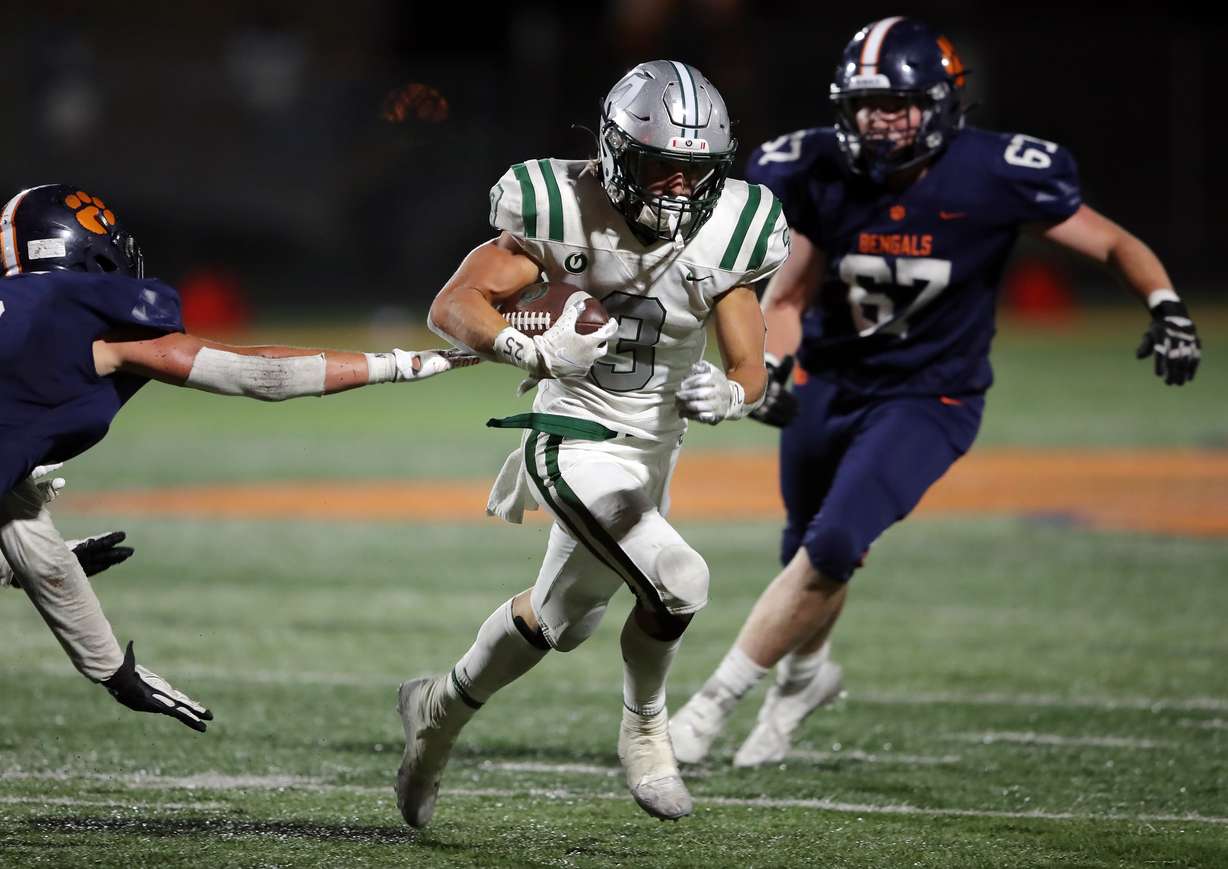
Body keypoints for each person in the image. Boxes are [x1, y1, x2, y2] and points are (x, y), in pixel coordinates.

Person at [669, 16, 1202, 768]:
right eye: (865, 106)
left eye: (897, 105)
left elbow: (1113, 241)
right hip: (831, 380)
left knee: (834, 542)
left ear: (942, 104)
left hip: (931, 395)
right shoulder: (814, 167)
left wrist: (1165, 306)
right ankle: (803, 680)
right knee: (807, 546)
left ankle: (711, 705)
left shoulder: (997, 171)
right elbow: (788, 293)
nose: (879, 122)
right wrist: (777, 368)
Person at [394, 59, 788, 826]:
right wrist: (530, 349)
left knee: (557, 621)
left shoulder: (734, 227)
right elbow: (454, 304)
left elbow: (750, 366)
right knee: (680, 578)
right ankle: (646, 731)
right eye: (661, 166)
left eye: (694, 170)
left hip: (652, 450)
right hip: (572, 434)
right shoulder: (561, 205)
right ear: (615, 153)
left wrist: (734, 394)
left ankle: (434, 713)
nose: (679, 187)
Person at [1, 183, 471, 733]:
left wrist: (101, 657)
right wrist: (400, 365)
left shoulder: (24, 324)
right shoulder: (75, 313)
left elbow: (20, 521)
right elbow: (258, 373)